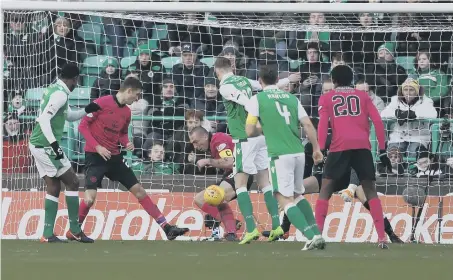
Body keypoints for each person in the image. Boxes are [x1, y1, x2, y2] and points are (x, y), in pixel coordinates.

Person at [77, 77, 189, 241]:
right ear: (128, 91)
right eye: (136, 95)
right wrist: (97, 147)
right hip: (95, 157)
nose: (137, 99)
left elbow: (121, 132)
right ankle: (75, 229)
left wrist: (126, 141)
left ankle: (166, 227)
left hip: (114, 157)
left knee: (139, 190)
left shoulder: (127, 112)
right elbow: (82, 126)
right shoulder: (101, 102)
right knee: (89, 198)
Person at [214, 57, 299, 244]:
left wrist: (257, 118)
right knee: (265, 182)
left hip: (245, 138)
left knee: (240, 184)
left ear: (217, 71)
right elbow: (264, 87)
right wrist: (288, 80)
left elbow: (245, 101)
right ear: (231, 68)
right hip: (261, 139)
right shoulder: (244, 80)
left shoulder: (225, 86)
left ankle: (251, 229)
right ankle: (277, 226)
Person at [245, 64, 325, 250]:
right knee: (297, 194)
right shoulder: (291, 98)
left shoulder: (258, 99)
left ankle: (308, 236)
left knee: (282, 197)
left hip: (280, 155)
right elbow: (308, 124)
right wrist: (316, 148)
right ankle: (316, 234)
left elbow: (249, 130)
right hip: (298, 153)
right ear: (276, 80)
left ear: (260, 81)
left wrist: (264, 127)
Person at [315, 65, 392, 249]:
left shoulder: (326, 98)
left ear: (333, 80)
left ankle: (317, 235)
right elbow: (378, 122)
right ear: (351, 80)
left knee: (325, 189)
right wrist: (382, 150)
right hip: (362, 146)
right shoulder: (364, 96)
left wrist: (321, 148)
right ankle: (382, 238)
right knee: (370, 190)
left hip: (339, 146)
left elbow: (323, 125)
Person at [28, 63, 101, 243]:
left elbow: (67, 116)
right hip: (46, 145)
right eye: (77, 80)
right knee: (73, 181)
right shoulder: (60, 94)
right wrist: (54, 145)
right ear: (74, 79)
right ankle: (75, 230)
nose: (77, 83)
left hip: (39, 144)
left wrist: (85, 110)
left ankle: (47, 234)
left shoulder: (55, 89)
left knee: (54, 186)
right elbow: (44, 119)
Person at [189, 126, 249, 241]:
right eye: (193, 144)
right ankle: (231, 231)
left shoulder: (219, 139)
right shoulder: (212, 144)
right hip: (230, 174)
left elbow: (230, 162)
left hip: (241, 171)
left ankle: (220, 229)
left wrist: (208, 161)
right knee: (199, 199)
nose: (195, 146)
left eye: (196, 142)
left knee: (215, 196)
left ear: (205, 136)